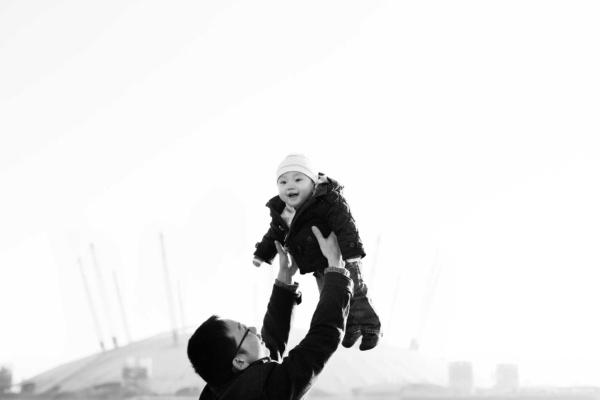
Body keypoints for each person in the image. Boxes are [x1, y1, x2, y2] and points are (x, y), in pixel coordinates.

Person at [187, 227, 353, 400]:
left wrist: (285, 281)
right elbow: (322, 338)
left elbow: (268, 351)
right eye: (245, 330)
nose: (253, 328)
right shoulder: (270, 392)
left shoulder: (220, 390)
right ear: (239, 361)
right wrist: (336, 268)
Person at [253, 153, 382, 350]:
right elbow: (274, 234)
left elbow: (345, 224)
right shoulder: (283, 212)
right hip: (317, 263)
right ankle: (351, 326)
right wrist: (262, 253)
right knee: (332, 298)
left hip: (344, 258)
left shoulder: (328, 200)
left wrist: (351, 252)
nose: (290, 185)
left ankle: (371, 326)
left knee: (355, 292)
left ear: (313, 183)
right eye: (283, 181)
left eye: (298, 179)